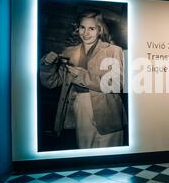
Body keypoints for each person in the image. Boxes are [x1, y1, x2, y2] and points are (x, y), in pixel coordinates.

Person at [39, 9, 127, 149]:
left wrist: (82, 76)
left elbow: (116, 84)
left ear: (99, 30)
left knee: (111, 154)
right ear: (77, 28)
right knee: (87, 153)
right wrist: (47, 65)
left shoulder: (113, 50)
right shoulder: (69, 52)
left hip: (108, 110)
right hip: (80, 107)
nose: (86, 33)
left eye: (91, 28)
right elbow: (52, 82)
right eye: (82, 27)